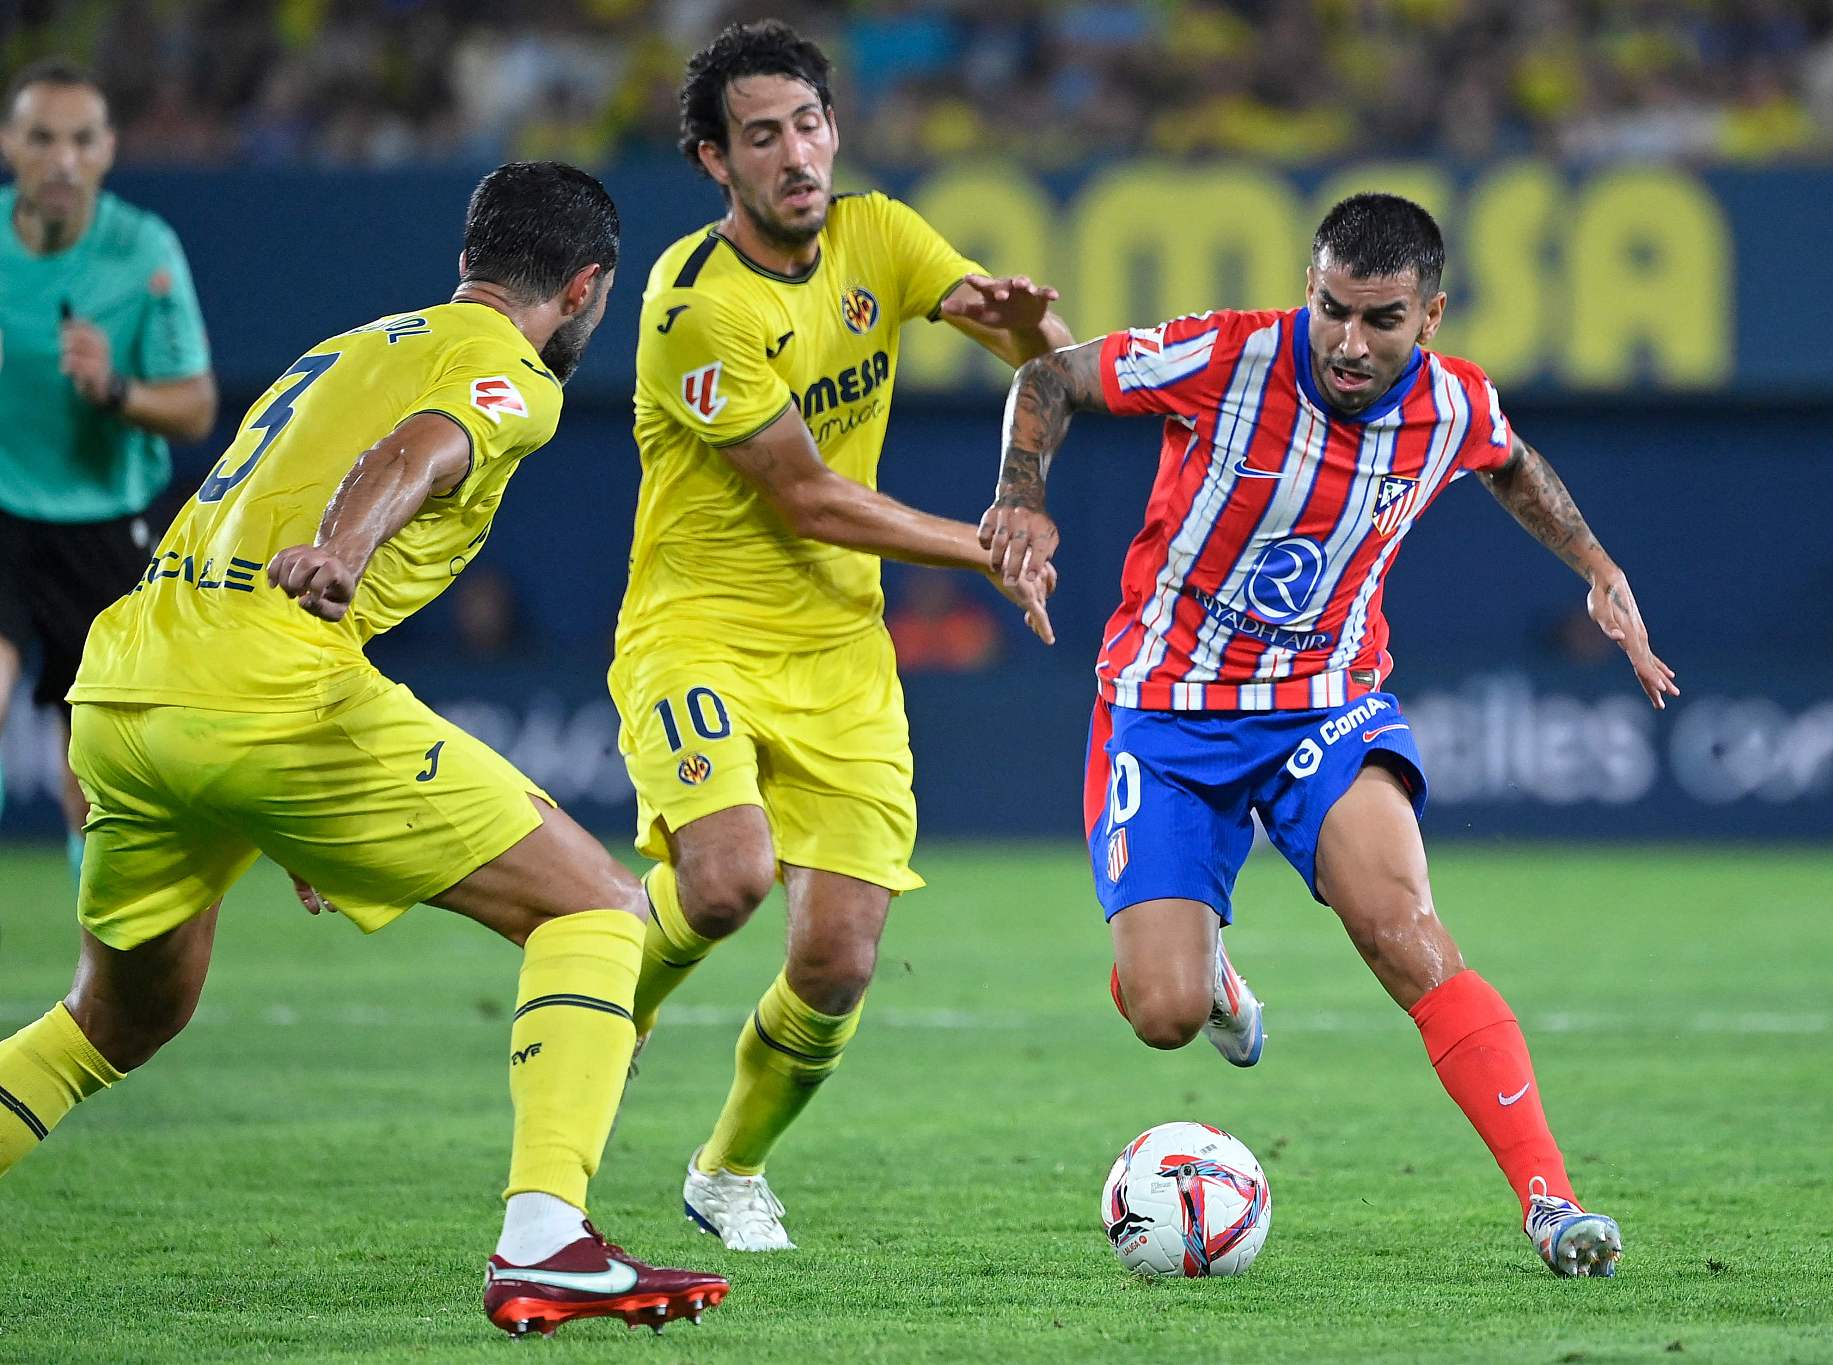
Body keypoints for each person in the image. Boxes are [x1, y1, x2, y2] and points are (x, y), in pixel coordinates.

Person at [0, 162, 729, 1338]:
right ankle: (548, 1240)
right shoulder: (515, 374)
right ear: (587, 287)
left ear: (469, 257)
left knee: (118, 1019)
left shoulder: (341, 349)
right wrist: (342, 547)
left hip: (129, 690)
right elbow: (418, 452)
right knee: (596, 911)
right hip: (270, 685)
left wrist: (286, 807)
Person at [979, 193, 1680, 1278]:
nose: (1349, 343)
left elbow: (1508, 461)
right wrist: (1020, 495)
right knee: (1160, 1014)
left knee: (1402, 931)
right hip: (1163, 711)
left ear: (1431, 316)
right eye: (1331, 309)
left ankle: (1552, 1203)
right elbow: (1047, 375)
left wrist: (1597, 571)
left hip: (1325, 703)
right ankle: (1208, 977)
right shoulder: (1226, 356)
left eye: (1381, 319)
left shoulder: (1452, 404)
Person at [614, 19, 1068, 1252]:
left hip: (841, 652)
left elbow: (1040, 359)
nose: (795, 154)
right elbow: (806, 495)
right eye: (761, 136)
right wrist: (986, 542)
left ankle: (725, 1170)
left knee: (838, 961)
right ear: (716, 161)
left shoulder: (880, 234)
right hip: (697, 631)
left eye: (808, 125)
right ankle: (607, 999)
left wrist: (1027, 331)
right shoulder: (690, 306)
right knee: (722, 881)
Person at [0, 59, 216, 858]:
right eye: (42, 137)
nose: (62, 159)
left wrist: (116, 389)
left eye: (81, 140)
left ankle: (98, 983)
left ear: (108, 150)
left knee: (89, 781)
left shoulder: (142, 250)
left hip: (101, 525)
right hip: (2, 513)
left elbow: (194, 406)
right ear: (8, 144)